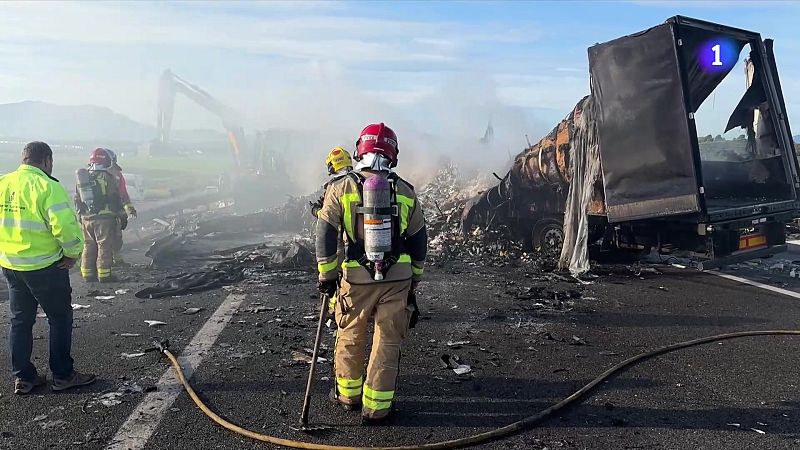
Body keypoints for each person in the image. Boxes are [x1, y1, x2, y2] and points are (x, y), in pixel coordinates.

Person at [315, 123, 427, 423]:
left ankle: (348, 395)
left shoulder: (341, 188)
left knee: (350, 333)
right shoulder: (405, 191)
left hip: (356, 278)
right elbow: (418, 241)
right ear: (393, 153)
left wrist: (326, 276)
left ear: (359, 150)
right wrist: (415, 279)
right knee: (387, 340)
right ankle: (377, 408)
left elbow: (325, 234)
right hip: (398, 279)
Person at [0, 141, 96, 394]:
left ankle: (24, 377)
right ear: (47, 161)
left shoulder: (3, 183)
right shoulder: (47, 186)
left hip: (11, 265)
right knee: (60, 318)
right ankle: (63, 375)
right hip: (45, 266)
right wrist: (73, 253)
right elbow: (64, 227)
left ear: (23, 159)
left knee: (20, 321)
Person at [310, 147, 353, 314]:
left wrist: (315, 211)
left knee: (337, 276)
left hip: (338, 239)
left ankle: (336, 310)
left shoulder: (334, 187)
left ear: (331, 166)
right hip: (355, 238)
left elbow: (327, 217)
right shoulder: (359, 182)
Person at [76, 148, 126, 283]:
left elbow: (77, 199)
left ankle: (87, 274)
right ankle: (104, 275)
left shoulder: (83, 177)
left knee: (88, 245)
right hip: (104, 218)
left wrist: (81, 216)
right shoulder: (107, 177)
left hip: (86, 218)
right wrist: (122, 215)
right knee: (104, 245)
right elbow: (115, 197)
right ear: (107, 161)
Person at [102, 149, 137, 266]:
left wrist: (129, 209)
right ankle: (104, 267)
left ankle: (114, 260)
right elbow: (121, 196)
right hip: (107, 214)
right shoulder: (112, 176)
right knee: (106, 241)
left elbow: (123, 195)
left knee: (113, 238)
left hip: (103, 214)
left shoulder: (88, 176)